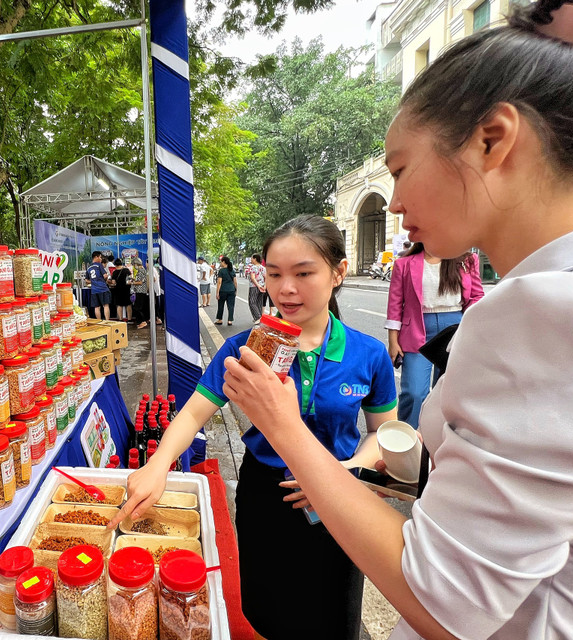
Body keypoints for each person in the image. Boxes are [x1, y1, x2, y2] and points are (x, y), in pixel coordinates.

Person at [220, 2, 573, 637]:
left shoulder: (551, 313)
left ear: (493, 139)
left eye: (400, 168)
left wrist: (283, 425)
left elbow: (446, 602)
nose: (395, 202)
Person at [112, 216, 397, 639]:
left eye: (304, 273)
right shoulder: (244, 349)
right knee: (264, 615)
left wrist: (346, 471)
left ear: (338, 273)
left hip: (341, 500)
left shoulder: (368, 354)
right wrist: (158, 465)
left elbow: (383, 434)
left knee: (333, 617)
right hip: (266, 496)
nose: (286, 289)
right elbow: (191, 414)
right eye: (275, 274)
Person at [386, 242, 484, 427]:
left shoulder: (467, 260)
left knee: (448, 392)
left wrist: (470, 323)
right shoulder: (404, 264)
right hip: (416, 330)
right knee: (414, 392)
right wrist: (393, 340)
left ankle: (439, 437)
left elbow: (477, 295)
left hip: (455, 329)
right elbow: (395, 304)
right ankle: (408, 437)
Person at [84, 251, 111, 320]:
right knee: (105, 305)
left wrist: (93, 281)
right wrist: (105, 280)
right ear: (96, 257)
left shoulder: (89, 268)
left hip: (94, 290)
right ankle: (107, 321)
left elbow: (86, 280)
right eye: (100, 257)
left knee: (97, 307)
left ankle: (99, 322)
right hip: (103, 288)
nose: (101, 259)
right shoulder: (99, 265)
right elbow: (105, 276)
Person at [214, 256, 237, 326]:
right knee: (231, 306)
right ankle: (230, 320)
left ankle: (220, 319)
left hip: (223, 290)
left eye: (221, 262)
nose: (220, 263)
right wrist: (235, 290)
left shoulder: (221, 271)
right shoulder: (232, 270)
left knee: (221, 305)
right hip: (231, 290)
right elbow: (235, 282)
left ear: (224, 262)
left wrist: (217, 292)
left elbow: (219, 282)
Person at [246, 253, 267, 324]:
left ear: (255, 259)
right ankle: (260, 317)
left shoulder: (253, 267)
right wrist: (264, 286)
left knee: (252, 302)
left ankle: (258, 317)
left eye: (252, 258)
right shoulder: (263, 268)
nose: (251, 260)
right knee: (259, 302)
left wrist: (258, 285)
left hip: (254, 286)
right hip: (262, 287)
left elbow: (253, 278)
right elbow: (266, 278)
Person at [111, 258, 133, 322]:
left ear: (115, 265)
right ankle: (129, 319)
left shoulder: (114, 272)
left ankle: (120, 319)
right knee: (128, 304)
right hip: (126, 289)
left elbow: (113, 282)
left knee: (119, 305)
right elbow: (130, 279)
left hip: (118, 290)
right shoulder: (126, 270)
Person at [131, 257, 150, 329]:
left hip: (140, 291)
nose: (134, 266)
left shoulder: (141, 271)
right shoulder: (143, 270)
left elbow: (140, 282)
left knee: (137, 308)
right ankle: (142, 321)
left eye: (134, 264)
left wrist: (132, 282)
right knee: (140, 307)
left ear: (136, 264)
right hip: (142, 291)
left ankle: (142, 321)